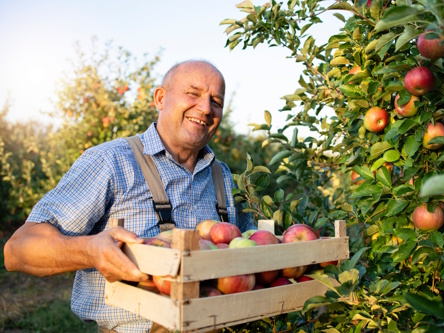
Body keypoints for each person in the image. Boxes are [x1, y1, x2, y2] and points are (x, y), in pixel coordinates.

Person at [3, 60, 256, 332]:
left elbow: (254, 254)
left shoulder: (224, 177)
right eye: (192, 94)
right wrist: (89, 250)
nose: (206, 108)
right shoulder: (111, 161)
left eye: (215, 101)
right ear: (160, 98)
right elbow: (17, 250)